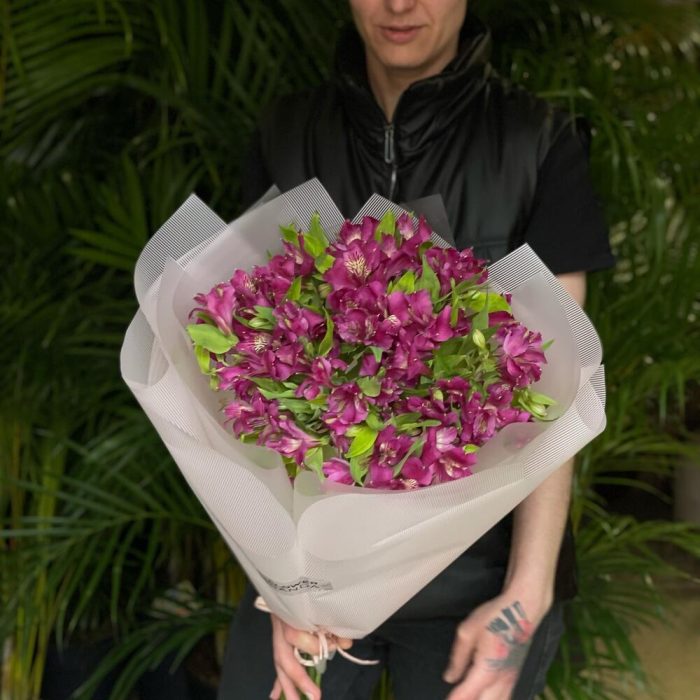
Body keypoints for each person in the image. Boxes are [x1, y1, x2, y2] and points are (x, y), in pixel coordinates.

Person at [218, 1, 615, 698]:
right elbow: (247, 370)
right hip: (313, 579)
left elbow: (561, 388)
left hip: (479, 577)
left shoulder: (537, 141)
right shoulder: (286, 133)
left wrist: (525, 596)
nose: (398, 5)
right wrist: (279, 583)